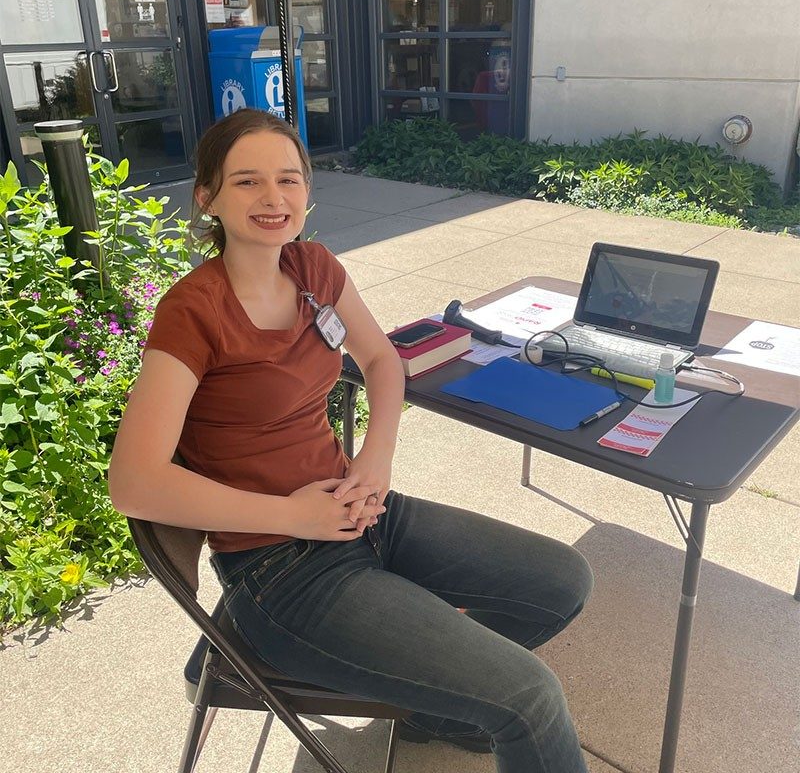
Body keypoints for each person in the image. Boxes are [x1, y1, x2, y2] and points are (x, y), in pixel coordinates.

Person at [109, 108, 593, 772]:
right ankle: (478, 702)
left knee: (561, 580)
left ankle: (434, 705)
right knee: (530, 698)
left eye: (289, 179)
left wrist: (375, 459)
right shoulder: (193, 312)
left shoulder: (314, 269)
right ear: (207, 198)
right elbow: (134, 481)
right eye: (247, 182)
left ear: (308, 190)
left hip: (356, 511)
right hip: (278, 571)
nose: (273, 198)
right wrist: (292, 514)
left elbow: (383, 362)